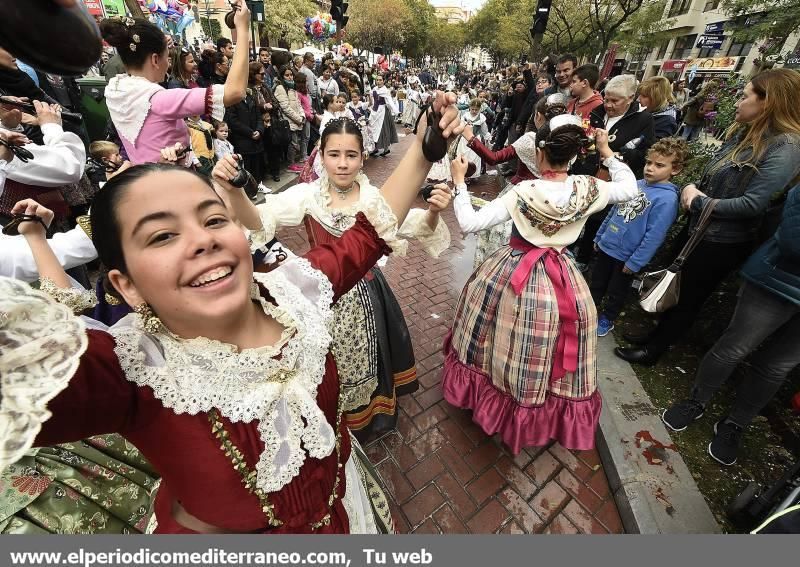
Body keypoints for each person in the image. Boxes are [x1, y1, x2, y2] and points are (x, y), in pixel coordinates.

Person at [0, 93, 464, 533]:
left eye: (214, 218)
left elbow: (365, 237)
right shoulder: (128, 369)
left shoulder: (291, 291)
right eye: (162, 236)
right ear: (127, 286)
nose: (202, 240)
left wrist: (424, 151)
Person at [226, 117, 452, 440]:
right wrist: (236, 192)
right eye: (334, 154)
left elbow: (410, 223)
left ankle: (366, 421)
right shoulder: (307, 196)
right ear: (320, 156)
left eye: (351, 155)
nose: (342, 164)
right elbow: (260, 220)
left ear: (363, 157)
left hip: (368, 298)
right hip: (319, 298)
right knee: (327, 366)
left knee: (368, 361)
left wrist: (432, 211)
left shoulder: (375, 198)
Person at [442, 117, 638, 454]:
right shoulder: (588, 188)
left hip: (512, 273)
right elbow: (630, 188)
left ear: (538, 152)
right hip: (562, 275)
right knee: (546, 341)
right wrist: (608, 154)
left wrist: (460, 181)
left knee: (500, 334)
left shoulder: (523, 192)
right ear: (576, 155)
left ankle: (495, 398)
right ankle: (534, 402)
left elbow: (469, 223)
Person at [616, 69, 800, 365]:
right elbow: (713, 177)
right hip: (698, 230)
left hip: (722, 241)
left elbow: (752, 204)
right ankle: (654, 336)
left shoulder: (786, 146)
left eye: (744, 96)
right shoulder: (746, 134)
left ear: (768, 102)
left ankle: (655, 351)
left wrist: (700, 201)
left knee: (689, 297)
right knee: (674, 286)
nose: (738, 103)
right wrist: (690, 188)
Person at [661, 184, 800, 466]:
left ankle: (736, 423)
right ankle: (697, 401)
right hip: (777, 281)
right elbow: (794, 239)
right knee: (733, 348)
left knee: (776, 367)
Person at [100, 3, 249, 166]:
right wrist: (242, 30)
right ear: (155, 60)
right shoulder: (159, 100)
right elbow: (235, 92)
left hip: (145, 183)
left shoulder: (116, 91)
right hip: (175, 184)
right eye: (167, 57)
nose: (168, 64)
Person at [591, 138, 687, 337]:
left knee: (617, 291)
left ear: (675, 170)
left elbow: (655, 235)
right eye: (649, 162)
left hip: (626, 257)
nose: (650, 168)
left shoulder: (667, 199)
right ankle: (588, 311)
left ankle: (607, 318)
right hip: (608, 245)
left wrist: (636, 261)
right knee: (597, 282)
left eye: (659, 165)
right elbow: (614, 211)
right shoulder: (634, 184)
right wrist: (600, 235)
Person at [573, 74, 656, 272]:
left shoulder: (643, 119)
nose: (608, 105)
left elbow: (646, 152)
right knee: (577, 212)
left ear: (630, 98)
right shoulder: (597, 111)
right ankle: (570, 247)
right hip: (586, 171)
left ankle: (584, 258)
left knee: (597, 220)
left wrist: (621, 155)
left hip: (612, 178)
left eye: (615, 101)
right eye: (607, 98)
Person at [273, 65, 306, 173]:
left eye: (291, 74)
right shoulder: (280, 88)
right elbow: (285, 108)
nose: (290, 77)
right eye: (287, 75)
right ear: (282, 76)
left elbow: (298, 104)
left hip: (296, 120)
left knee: (295, 143)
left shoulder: (292, 88)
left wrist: (302, 116)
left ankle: (293, 163)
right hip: (288, 122)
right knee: (292, 144)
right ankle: (290, 164)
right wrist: (297, 118)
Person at [367, 74, 398, 158]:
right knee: (372, 129)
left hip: (383, 112)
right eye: (377, 80)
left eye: (380, 80)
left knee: (383, 129)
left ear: (383, 81)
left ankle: (386, 149)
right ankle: (375, 148)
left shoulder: (385, 90)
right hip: (375, 111)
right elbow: (373, 99)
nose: (379, 81)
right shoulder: (374, 89)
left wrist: (396, 112)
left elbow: (390, 102)